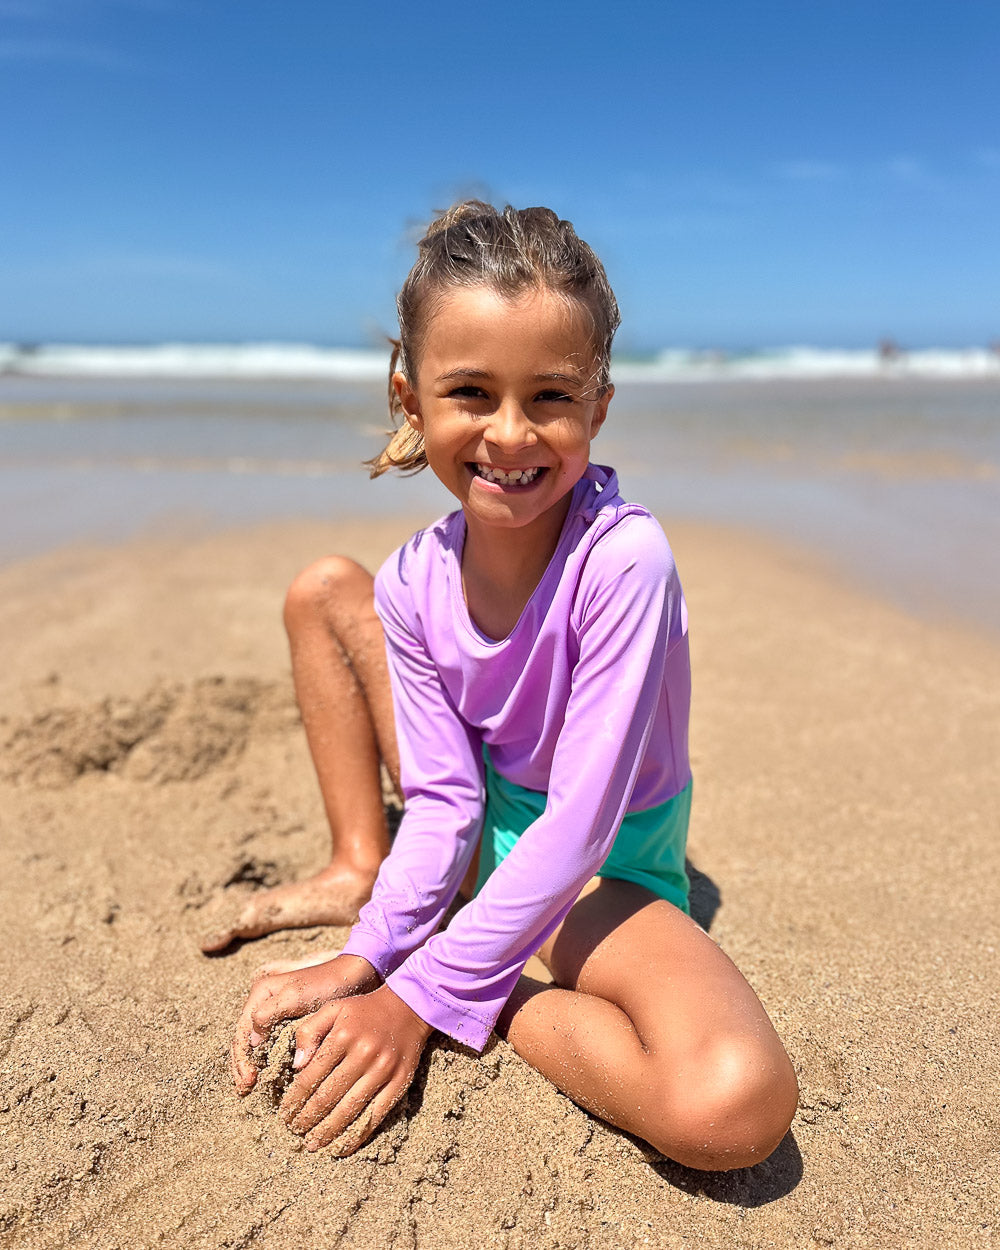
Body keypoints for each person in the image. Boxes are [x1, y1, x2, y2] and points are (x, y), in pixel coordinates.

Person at [209, 202, 798, 1169]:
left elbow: (578, 824)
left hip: (600, 867)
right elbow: (444, 802)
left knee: (730, 1106)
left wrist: (418, 994)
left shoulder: (625, 562)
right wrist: (363, 955)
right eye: (471, 392)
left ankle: (499, 982)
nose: (511, 434)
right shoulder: (411, 580)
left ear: (600, 405)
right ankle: (370, 871)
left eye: (552, 398)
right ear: (411, 398)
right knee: (327, 589)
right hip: (476, 825)